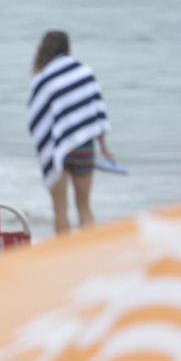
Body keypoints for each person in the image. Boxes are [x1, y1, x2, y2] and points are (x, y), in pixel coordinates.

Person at [27, 30, 114, 234]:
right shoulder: (85, 73)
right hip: (84, 147)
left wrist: (44, 147)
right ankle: (87, 255)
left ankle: (64, 260)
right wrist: (105, 148)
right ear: (68, 47)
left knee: (60, 210)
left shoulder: (43, 79)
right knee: (84, 205)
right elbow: (97, 111)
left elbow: (36, 117)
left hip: (56, 148)